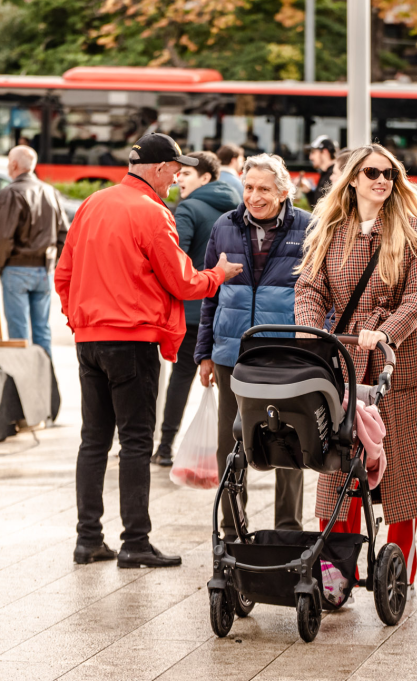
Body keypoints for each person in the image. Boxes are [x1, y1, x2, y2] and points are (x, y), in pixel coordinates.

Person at [55, 133, 242, 568]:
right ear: (158, 169)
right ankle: (135, 542)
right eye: (175, 170)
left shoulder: (92, 204)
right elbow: (181, 282)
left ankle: (88, 539)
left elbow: (63, 274)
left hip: (90, 341)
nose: (177, 179)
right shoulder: (153, 214)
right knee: (136, 441)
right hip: (132, 339)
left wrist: (80, 321)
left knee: (93, 440)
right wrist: (218, 274)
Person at [296, 143, 417, 589]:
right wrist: (310, 330)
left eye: (389, 174)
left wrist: (387, 333)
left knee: (403, 478)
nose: (382, 180)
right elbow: (310, 288)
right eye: (372, 173)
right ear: (353, 180)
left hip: (393, 368)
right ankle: (337, 570)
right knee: (336, 472)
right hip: (342, 361)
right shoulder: (331, 229)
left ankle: (398, 571)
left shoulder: (412, 230)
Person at [195, 154, 310, 538]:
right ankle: (232, 529)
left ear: (283, 190)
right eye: (248, 187)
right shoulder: (224, 226)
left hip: (286, 354)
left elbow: (322, 294)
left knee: (291, 440)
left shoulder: (308, 229)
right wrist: (205, 354)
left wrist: (312, 345)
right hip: (233, 353)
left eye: (263, 188)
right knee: (231, 444)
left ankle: (288, 529)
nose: (254, 196)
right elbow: (210, 294)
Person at [150, 150, 239, 467]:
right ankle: (235, 453)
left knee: (181, 377)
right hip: (231, 310)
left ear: (205, 178)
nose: (180, 179)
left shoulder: (188, 207)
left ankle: (165, 446)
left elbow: (176, 257)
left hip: (194, 308)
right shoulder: (238, 205)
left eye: (187, 174)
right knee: (232, 383)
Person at [0, 146, 69, 358]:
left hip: (17, 267)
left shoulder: (10, 193)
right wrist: (52, 263)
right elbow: (64, 234)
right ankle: (46, 382)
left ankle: (23, 384)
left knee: (19, 334)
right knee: (42, 330)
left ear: (14, 164)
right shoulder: (49, 191)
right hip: (42, 269)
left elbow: (3, 238)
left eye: (9, 161)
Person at [300, 135, 336, 210]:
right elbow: (317, 207)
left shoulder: (335, 175)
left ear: (325, 152)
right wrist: (308, 191)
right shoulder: (325, 174)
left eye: (313, 152)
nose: (310, 157)